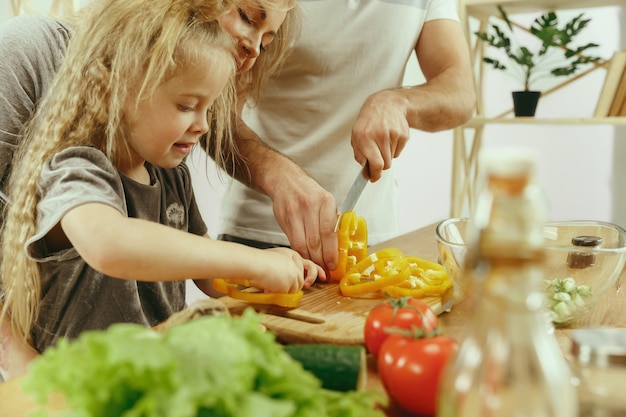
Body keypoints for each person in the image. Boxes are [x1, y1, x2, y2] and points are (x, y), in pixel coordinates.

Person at [0, 0, 322, 380]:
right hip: (79, 389)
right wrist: (249, 260)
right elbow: (111, 243)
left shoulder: (172, 176)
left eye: (210, 108)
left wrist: (269, 271)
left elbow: (206, 275)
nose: (203, 126)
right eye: (187, 105)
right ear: (116, 91)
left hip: (153, 378)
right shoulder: (73, 168)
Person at [217, 0, 477, 272]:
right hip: (261, 236)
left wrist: (400, 102)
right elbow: (213, 110)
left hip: (372, 241)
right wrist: (277, 176)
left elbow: (460, 92)